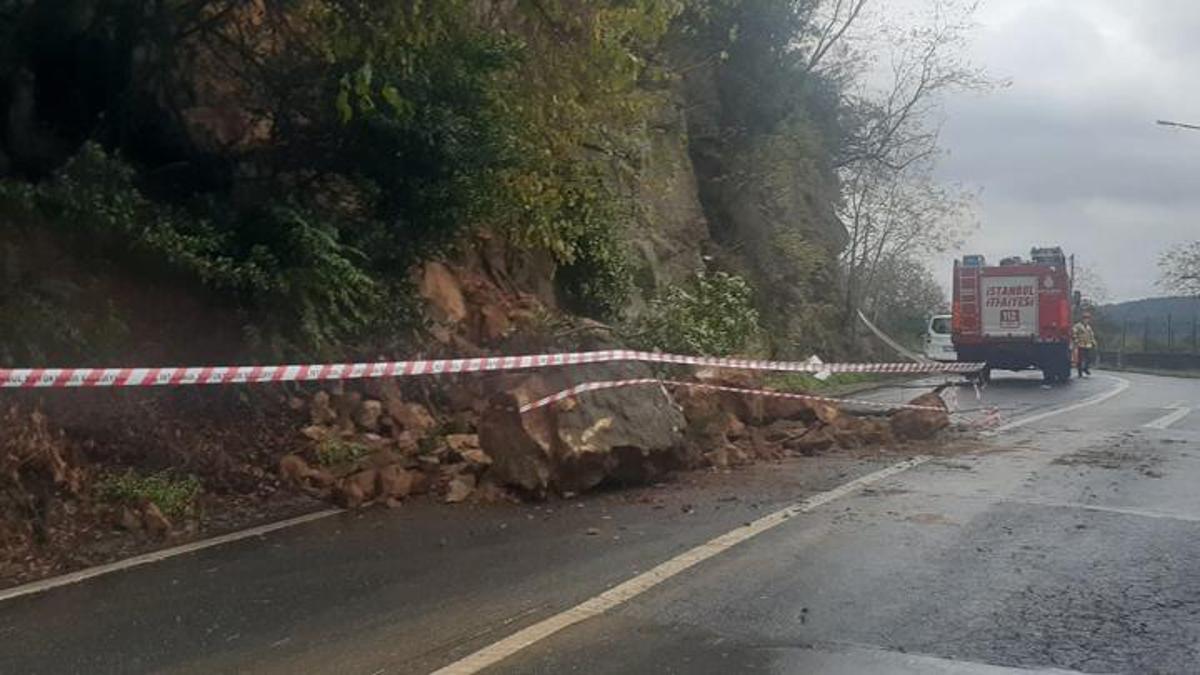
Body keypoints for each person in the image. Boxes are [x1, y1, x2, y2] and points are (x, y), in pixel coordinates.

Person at [1073, 311, 1098, 377]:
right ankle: (1080, 372)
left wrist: (1094, 342)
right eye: (1085, 318)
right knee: (1080, 359)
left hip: (1088, 345)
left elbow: (1091, 335)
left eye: (1088, 318)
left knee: (1088, 358)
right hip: (1080, 344)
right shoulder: (1077, 326)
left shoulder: (1089, 327)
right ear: (1082, 319)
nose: (1086, 320)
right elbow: (1074, 333)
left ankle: (1085, 368)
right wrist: (1076, 340)